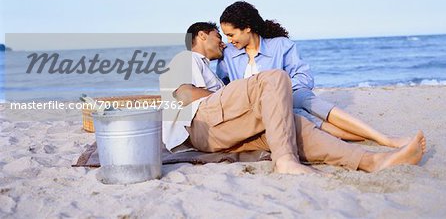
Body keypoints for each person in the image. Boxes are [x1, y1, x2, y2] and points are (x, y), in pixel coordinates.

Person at [159, 22, 426, 175]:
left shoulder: (210, 69)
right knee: (275, 77)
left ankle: (371, 161)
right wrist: (231, 96)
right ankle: (285, 161)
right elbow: (183, 94)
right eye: (220, 36)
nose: (224, 42)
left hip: (221, 131)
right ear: (201, 35)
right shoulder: (187, 58)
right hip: (201, 126)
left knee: (294, 124)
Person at [217, 1, 410, 147]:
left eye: (231, 34)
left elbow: (304, 77)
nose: (228, 40)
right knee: (303, 117)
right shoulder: (228, 55)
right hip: (263, 109)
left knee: (312, 103)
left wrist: (281, 90)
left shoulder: (281, 45)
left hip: (291, 93)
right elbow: (223, 87)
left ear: (247, 28)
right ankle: (371, 138)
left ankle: (383, 138)